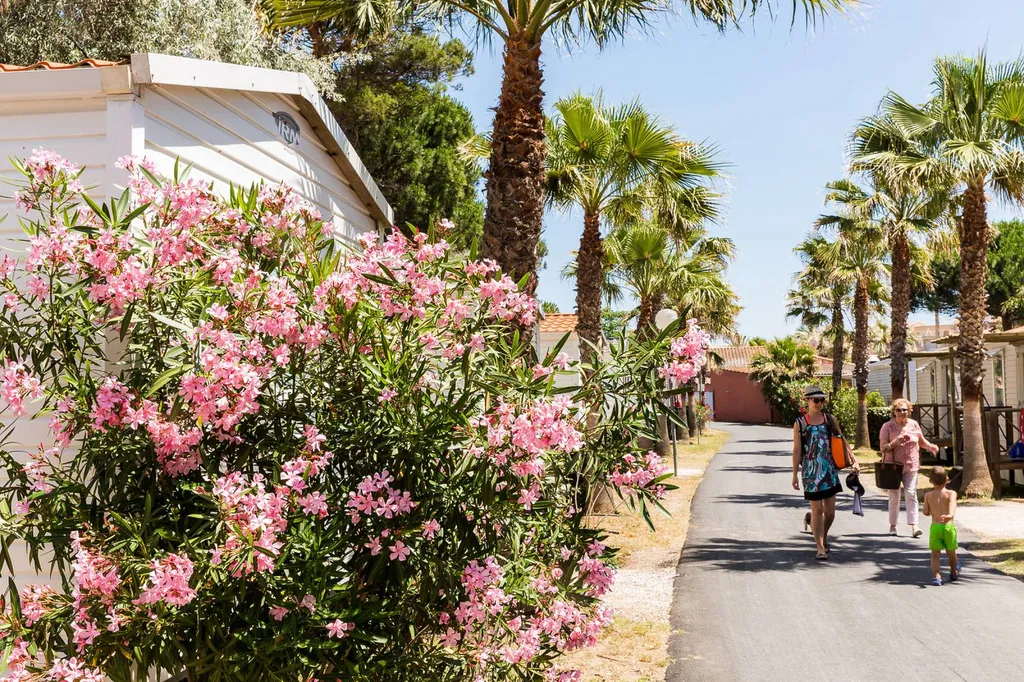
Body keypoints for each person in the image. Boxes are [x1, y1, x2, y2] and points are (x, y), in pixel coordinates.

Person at [792, 386, 859, 560]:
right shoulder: (800, 423)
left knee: (830, 512)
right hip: (810, 472)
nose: (819, 403)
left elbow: (841, 439)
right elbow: (797, 450)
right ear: (807, 401)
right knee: (817, 509)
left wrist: (853, 460)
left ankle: (822, 534)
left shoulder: (829, 419)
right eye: (816, 400)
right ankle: (820, 547)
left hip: (829, 470)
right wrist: (794, 474)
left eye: (821, 400)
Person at [878, 398, 940, 538]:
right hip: (893, 467)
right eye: (899, 410)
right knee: (894, 495)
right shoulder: (887, 427)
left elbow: (921, 441)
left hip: (911, 465)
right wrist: (895, 442)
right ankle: (893, 526)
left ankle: (914, 526)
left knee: (911, 494)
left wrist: (931, 447)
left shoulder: (914, 424)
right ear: (894, 412)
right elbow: (883, 448)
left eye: (905, 410)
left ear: (909, 411)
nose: (902, 412)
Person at [922, 466, 959, 586]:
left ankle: (936, 576)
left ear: (930, 481)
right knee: (951, 553)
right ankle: (953, 571)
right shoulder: (951, 493)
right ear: (947, 479)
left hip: (935, 527)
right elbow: (953, 504)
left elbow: (925, 512)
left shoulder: (928, 495)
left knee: (935, 554)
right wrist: (949, 515)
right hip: (948, 527)